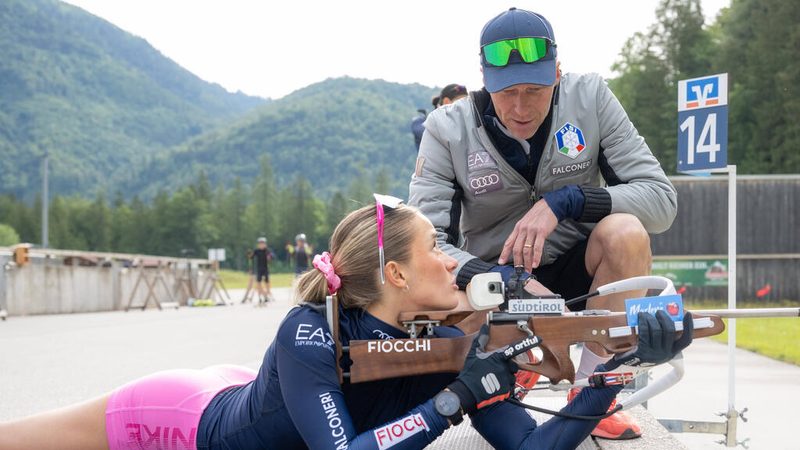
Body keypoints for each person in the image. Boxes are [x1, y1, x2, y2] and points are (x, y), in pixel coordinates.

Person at [0, 201, 693, 450]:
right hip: (183, 418)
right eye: (435, 253)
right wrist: (454, 403)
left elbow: (534, 448)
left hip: (268, 400)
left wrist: (611, 374)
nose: (453, 263)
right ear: (395, 275)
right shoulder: (308, 331)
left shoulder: (454, 337)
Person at [408, 7, 678, 440]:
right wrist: (505, 279)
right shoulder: (446, 129)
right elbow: (425, 244)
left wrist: (568, 200)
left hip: (581, 274)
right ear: (483, 78)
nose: (520, 107)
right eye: (506, 91)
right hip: (493, 284)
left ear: (557, 71)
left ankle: (594, 391)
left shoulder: (590, 98)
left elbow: (662, 202)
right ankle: (516, 366)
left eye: (534, 89)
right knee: (444, 309)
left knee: (626, 233)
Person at [250, 237, 274, 303]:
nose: (261, 245)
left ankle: (267, 294)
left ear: (265, 244)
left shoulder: (267, 250)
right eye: (260, 244)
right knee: (258, 282)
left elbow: (272, 256)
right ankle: (261, 295)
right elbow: (251, 257)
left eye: (263, 244)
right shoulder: (256, 251)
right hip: (259, 268)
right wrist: (250, 254)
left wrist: (270, 257)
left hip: (265, 268)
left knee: (267, 281)